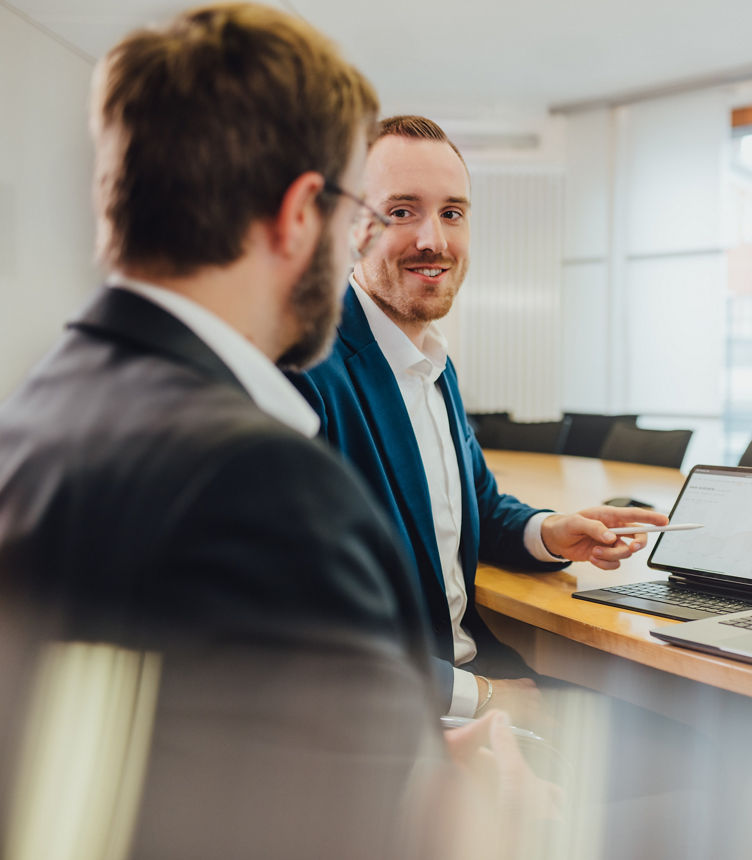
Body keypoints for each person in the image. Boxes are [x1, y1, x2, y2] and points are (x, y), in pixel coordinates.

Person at [0, 7, 549, 858]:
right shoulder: (259, 483)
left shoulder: (44, 405)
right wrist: (476, 804)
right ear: (303, 214)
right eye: (358, 210)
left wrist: (400, 749)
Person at [294, 115, 668, 726]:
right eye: (402, 211)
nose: (434, 240)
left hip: (476, 672)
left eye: (452, 213)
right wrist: (481, 700)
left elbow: (480, 508)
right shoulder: (307, 369)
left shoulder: (431, 363)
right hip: (401, 715)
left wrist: (550, 531)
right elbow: (301, 619)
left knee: (678, 734)